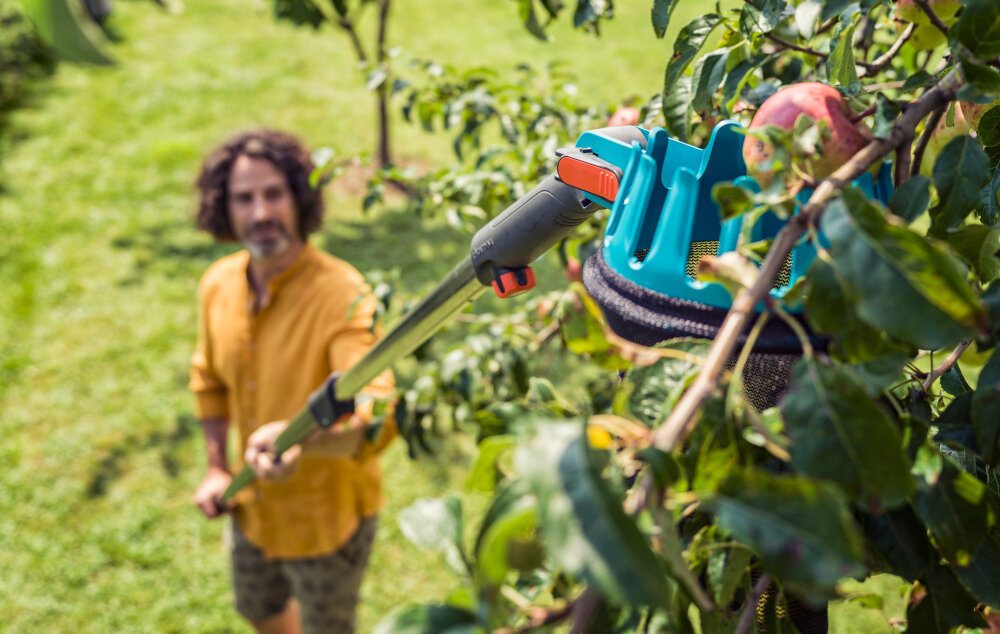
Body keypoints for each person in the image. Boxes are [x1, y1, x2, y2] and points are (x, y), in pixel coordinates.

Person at [188, 130, 395, 634]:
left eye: (274, 194)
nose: (260, 213)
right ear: (224, 207)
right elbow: (209, 381)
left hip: (325, 523)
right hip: (251, 505)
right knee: (259, 611)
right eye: (244, 198)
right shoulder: (217, 284)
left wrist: (305, 442)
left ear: (300, 199)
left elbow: (377, 415)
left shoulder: (343, 295)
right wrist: (218, 468)